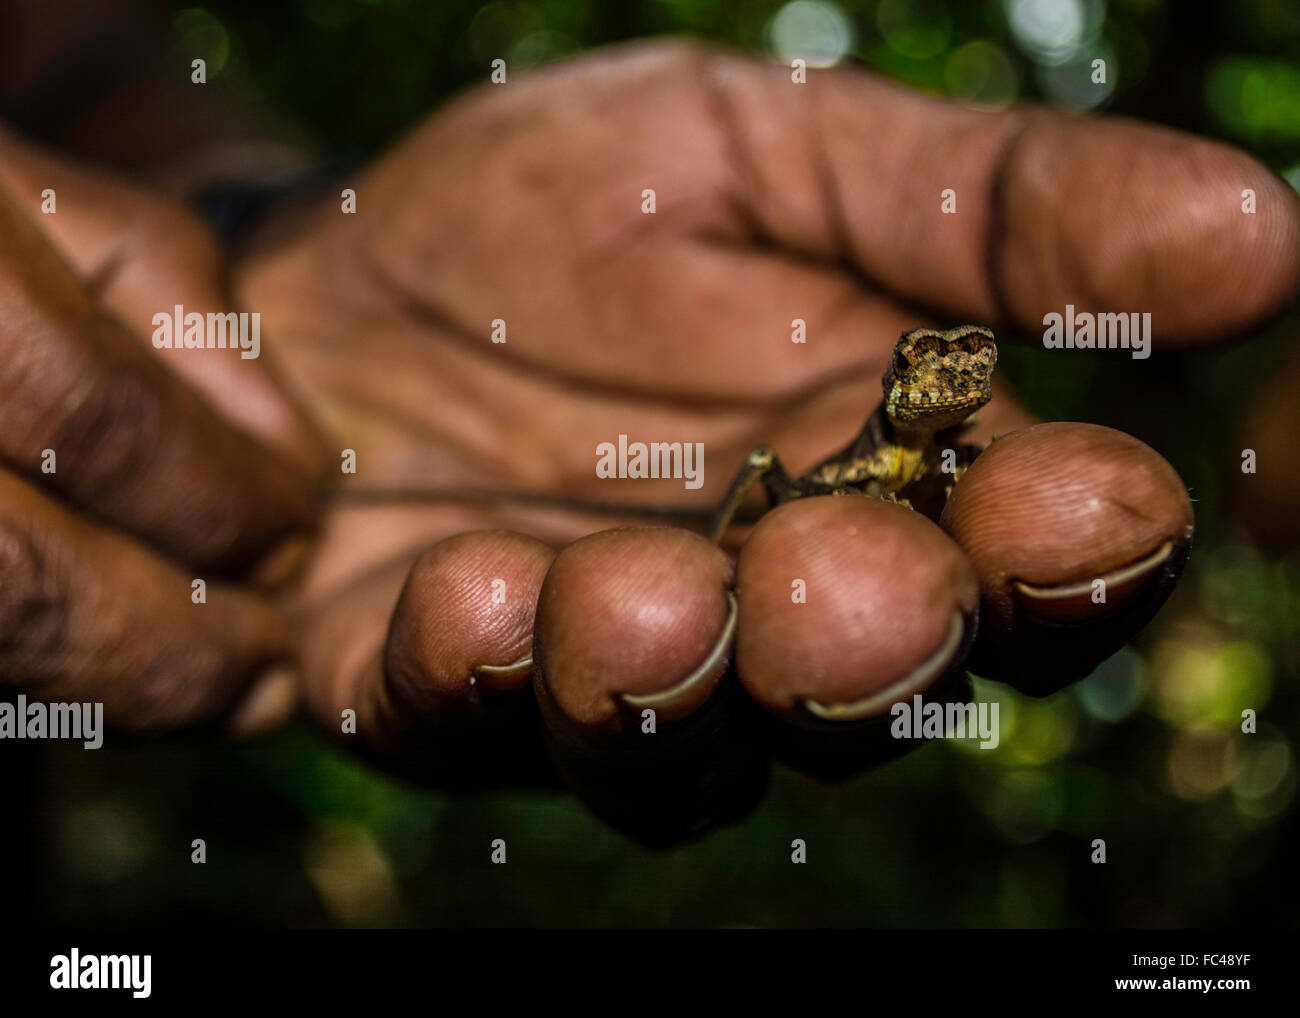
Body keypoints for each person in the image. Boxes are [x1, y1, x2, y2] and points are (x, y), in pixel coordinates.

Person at [1, 38, 1297, 840]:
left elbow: (76, 44)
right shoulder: (875, 450)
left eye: (968, 365)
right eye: (934, 361)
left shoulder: (938, 456)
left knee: (852, 586)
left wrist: (256, 234)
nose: (954, 374)